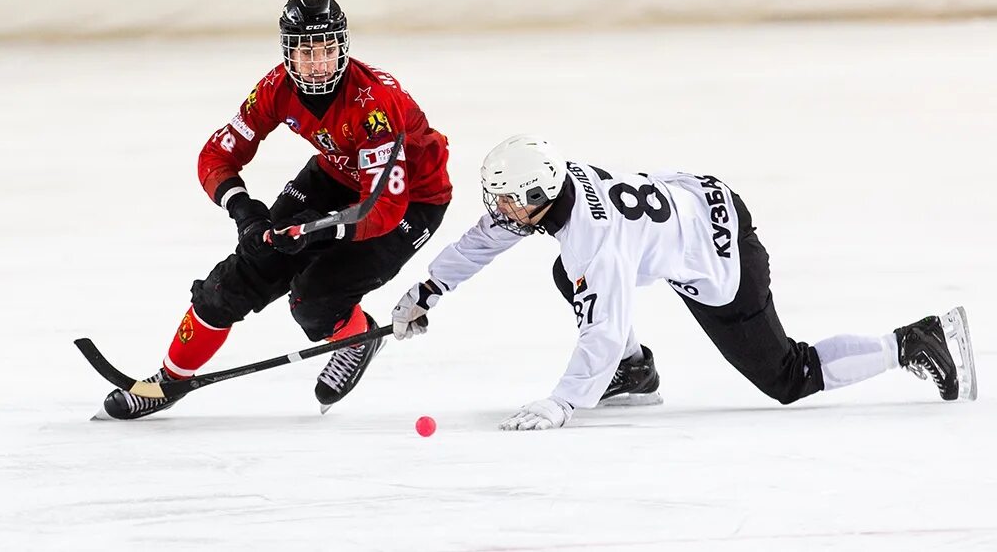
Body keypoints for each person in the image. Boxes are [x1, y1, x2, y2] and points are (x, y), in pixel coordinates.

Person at [391, 135, 977, 431]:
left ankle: (911, 343)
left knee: (786, 375)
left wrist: (563, 401)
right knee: (564, 273)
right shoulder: (557, 189)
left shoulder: (594, 242)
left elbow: (604, 325)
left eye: (505, 200)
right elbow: (485, 239)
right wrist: (428, 291)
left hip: (720, 257)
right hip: (695, 202)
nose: (498, 208)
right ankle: (636, 371)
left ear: (538, 198)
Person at [98, 0, 452, 420]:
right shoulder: (275, 88)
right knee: (237, 277)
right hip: (336, 175)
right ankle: (169, 380)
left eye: (327, 50)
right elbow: (216, 156)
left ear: (343, 46)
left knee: (315, 300)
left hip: (411, 201)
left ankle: (358, 335)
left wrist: (318, 228)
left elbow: (382, 208)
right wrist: (245, 212)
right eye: (306, 52)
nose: (318, 63)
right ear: (288, 53)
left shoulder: (374, 105)